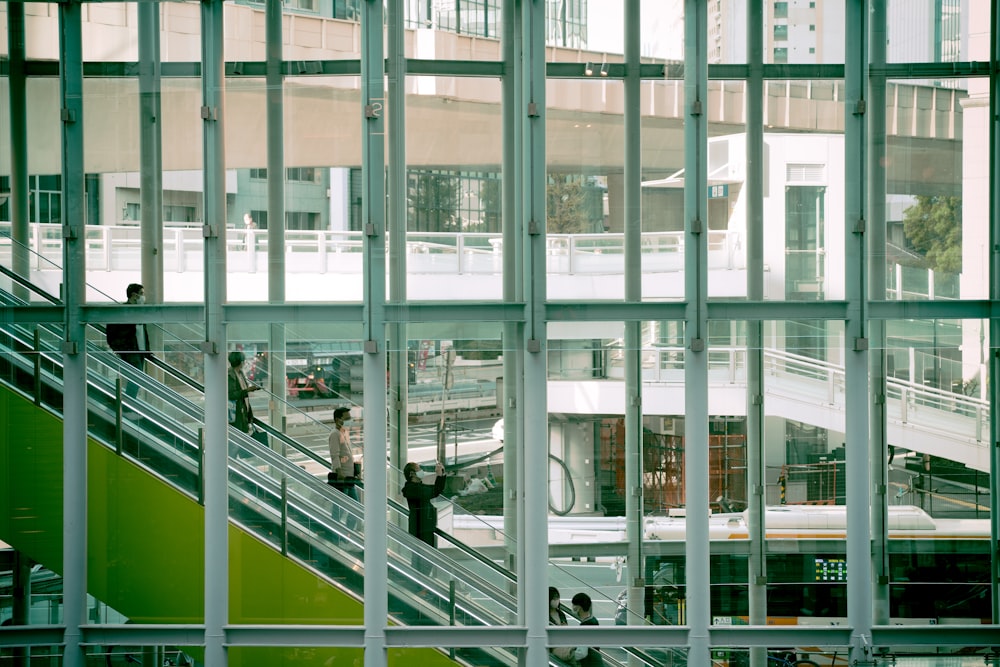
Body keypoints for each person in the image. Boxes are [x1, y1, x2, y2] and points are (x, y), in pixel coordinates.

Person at [106, 283, 152, 401]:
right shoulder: (122, 310)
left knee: (137, 377)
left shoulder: (139, 311)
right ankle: (128, 404)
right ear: (134, 295)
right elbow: (112, 332)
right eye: (141, 294)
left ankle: (128, 402)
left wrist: (147, 350)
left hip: (141, 350)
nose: (143, 296)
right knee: (136, 378)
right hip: (130, 350)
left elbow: (142, 332)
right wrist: (119, 348)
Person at [227, 350, 268, 456]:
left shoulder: (240, 374)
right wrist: (248, 390)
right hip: (235, 414)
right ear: (240, 362)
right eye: (244, 360)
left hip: (243, 411)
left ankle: (234, 466)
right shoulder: (230, 375)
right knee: (235, 443)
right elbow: (231, 394)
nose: (245, 363)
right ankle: (230, 467)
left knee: (239, 441)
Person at [401, 461, 446, 546]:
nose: (421, 471)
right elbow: (435, 491)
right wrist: (439, 475)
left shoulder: (417, 487)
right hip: (421, 529)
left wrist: (441, 475)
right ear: (412, 474)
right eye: (419, 469)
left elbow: (436, 489)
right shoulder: (412, 489)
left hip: (424, 527)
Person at [328, 407, 361, 502]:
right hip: (342, 478)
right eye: (347, 419)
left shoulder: (344, 433)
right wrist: (339, 473)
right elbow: (335, 455)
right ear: (337, 420)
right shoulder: (335, 434)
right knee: (340, 508)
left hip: (349, 477)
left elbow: (346, 454)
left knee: (353, 507)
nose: (349, 421)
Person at [570, 592, 605, 667]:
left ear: (578, 607)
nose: (572, 607)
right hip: (597, 661)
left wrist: (568, 657)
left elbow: (582, 653)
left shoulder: (585, 626)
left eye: (573, 605)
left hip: (590, 663)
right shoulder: (594, 620)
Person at [548, 586, 576, 664]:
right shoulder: (544, 616)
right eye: (554, 598)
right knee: (574, 655)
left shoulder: (561, 614)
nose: (556, 600)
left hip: (566, 642)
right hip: (555, 647)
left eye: (557, 597)